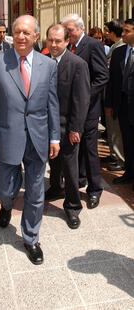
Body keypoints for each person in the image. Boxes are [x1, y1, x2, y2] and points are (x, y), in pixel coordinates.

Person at [0, 15, 60, 265]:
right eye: (17, 32)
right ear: (11, 35)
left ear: (36, 36)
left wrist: (54, 137)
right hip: (6, 137)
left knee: (36, 192)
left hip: (38, 138)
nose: (21, 37)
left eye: (27, 33)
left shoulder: (48, 65)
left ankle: (31, 238)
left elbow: (52, 105)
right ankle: (6, 205)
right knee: (5, 188)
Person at [61, 14, 109, 209]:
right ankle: (79, 179)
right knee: (75, 148)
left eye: (69, 30)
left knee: (90, 151)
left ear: (80, 28)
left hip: (88, 109)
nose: (66, 33)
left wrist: (85, 96)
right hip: (70, 110)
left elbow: (102, 76)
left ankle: (95, 189)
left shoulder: (92, 45)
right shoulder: (67, 47)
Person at [45, 24, 90, 228]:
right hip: (46, 126)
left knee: (70, 169)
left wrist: (76, 128)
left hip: (67, 127)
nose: (53, 45)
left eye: (58, 41)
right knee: (53, 162)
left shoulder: (77, 64)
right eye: (50, 40)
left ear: (67, 41)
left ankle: (72, 206)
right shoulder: (43, 61)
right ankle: (55, 188)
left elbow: (81, 100)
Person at [105, 19, 134, 188]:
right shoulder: (118, 52)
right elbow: (113, 81)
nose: (122, 34)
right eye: (122, 31)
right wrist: (109, 104)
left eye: (127, 31)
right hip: (122, 106)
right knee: (127, 142)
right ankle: (128, 172)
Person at [103, 20, 125, 171]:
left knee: (117, 129)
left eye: (108, 30)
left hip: (117, 95)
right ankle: (114, 153)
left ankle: (120, 158)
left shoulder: (121, 47)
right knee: (111, 127)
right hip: (109, 92)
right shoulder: (114, 46)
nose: (106, 33)